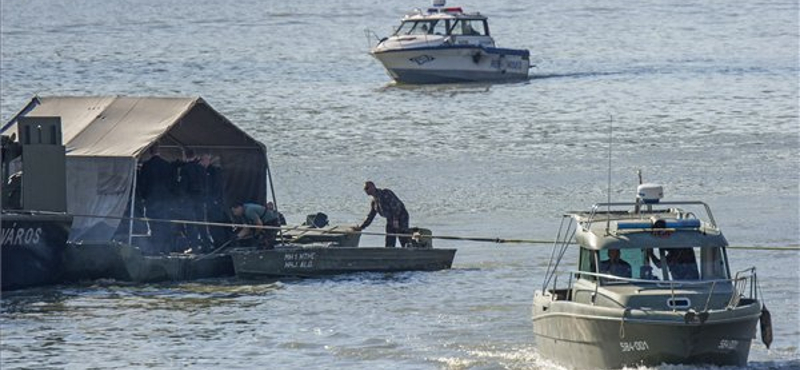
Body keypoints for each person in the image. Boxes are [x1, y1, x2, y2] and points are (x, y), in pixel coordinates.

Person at [138, 143, 178, 254]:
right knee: (165, 225)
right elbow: (173, 184)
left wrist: (144, 196)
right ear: (159, 151)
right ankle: (166, 249)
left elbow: (142, 184)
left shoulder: (146, 166)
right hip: (165, 201)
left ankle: (156, 249)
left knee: (154, 225)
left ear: (150, 152)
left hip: (151, 200)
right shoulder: (167, 165)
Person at [353, 181, 410, 248]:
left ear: (373, 187)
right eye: (365, 189)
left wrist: (395, 220)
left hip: (401, 216)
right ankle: (390, 253)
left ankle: (408, 251)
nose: (366, 190)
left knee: (403, 236)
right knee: (390, 239)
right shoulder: (374, 202)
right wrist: (361, 227)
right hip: (390, 219)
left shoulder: (386, 193)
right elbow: (370, 216)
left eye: (367, 188)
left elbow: (396, 207)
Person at [177, 148, 212, 251]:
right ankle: (206, 245)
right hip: (201, 200)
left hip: (189, 200)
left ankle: (194, 246)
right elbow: (206, 184)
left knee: (191, 224)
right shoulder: (202, 168)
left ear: (185, 156)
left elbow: (183, 186)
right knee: (202, 223)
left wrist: (181, 199)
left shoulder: (185, 169)